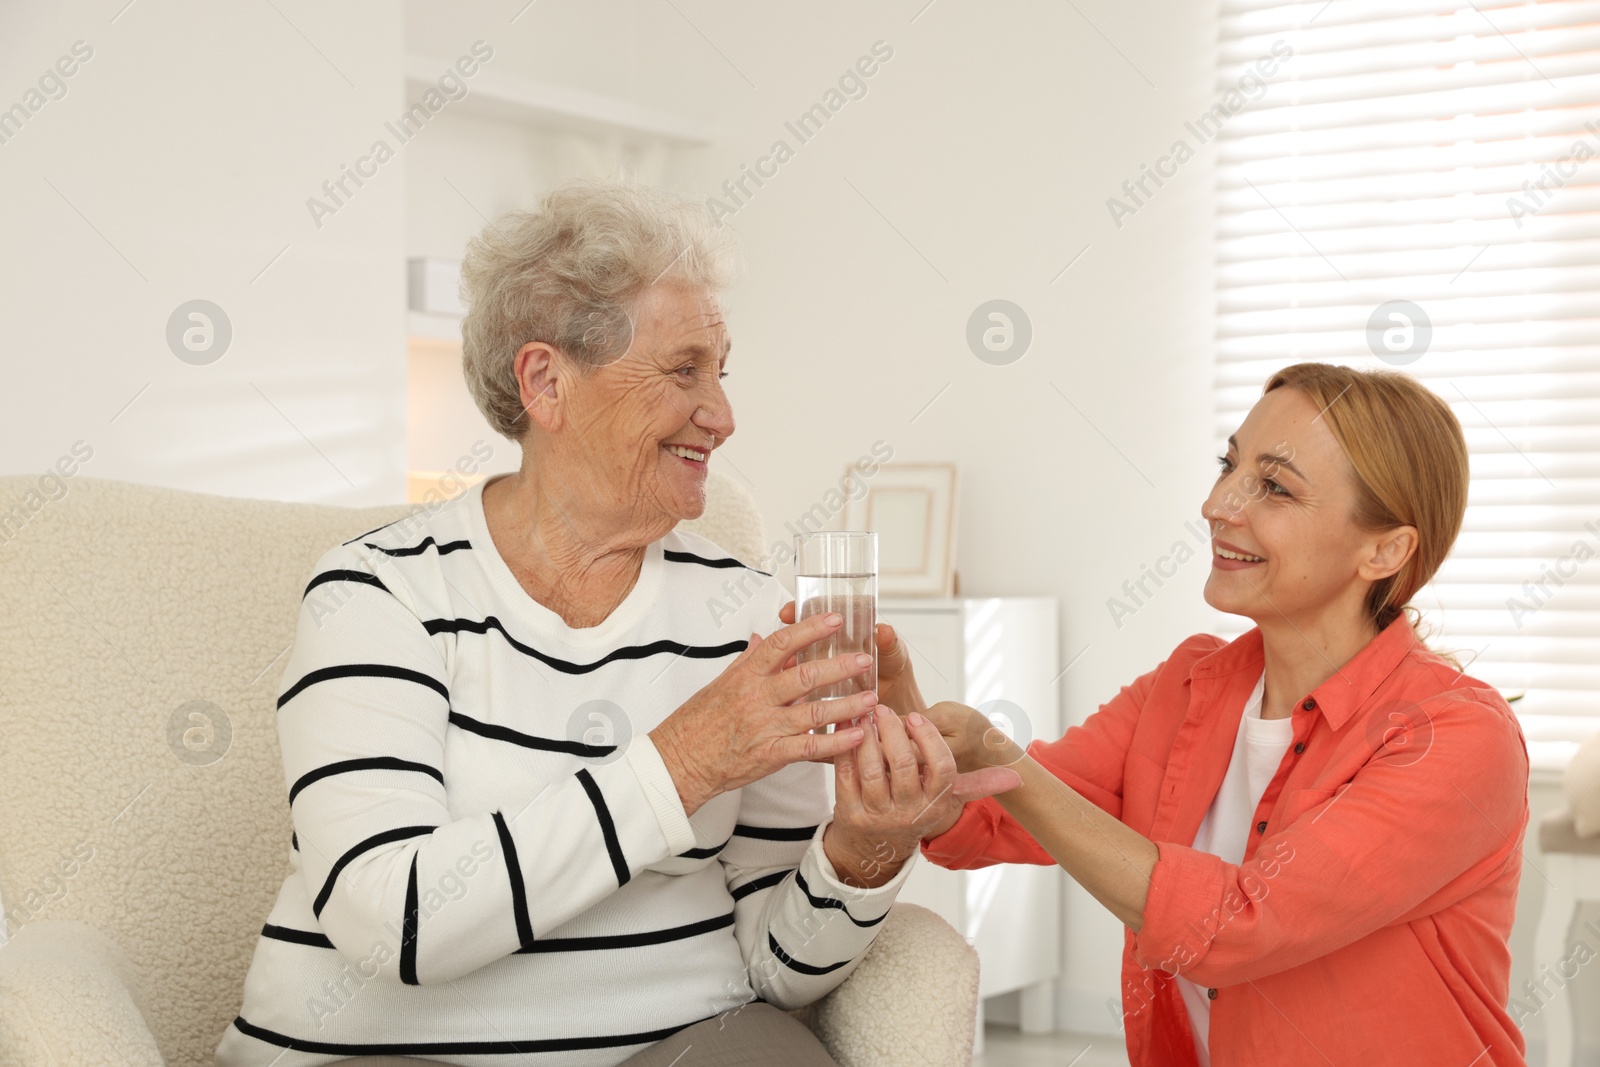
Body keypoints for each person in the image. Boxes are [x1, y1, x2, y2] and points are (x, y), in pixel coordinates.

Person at [216, 180, 1009, 1067]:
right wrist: (688, 757)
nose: (724, 413)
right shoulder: (379, 594)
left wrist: (865, 846)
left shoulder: (744, 612)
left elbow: (773, 969)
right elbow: (392, 920)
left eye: (722, 368)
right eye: (684, 369)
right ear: (547, 382)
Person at [843, 363, 1530, 1066]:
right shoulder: (1189, 685)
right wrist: (905, 720)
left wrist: (1001, 754)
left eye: (1274, 486)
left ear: (1385, 549)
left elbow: (1237, 927)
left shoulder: (1454, 737)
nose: (1218, 503)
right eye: (1229, 465)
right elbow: (987, 816)